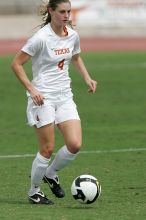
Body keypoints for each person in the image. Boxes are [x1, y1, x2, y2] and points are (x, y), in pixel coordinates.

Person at [11, 0, 97, 205]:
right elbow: (16, 64)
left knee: (75, 144)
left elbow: (75, 57)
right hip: (43, 98)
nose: (66, 15)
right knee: (47, 149)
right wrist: (31, 89)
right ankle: (34, 192)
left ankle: (51, 174)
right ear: (51, 11)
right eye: (62, 12)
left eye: (68, 11)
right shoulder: (40, 38)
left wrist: (87, 77)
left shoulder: (72, 35)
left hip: (64, 96)